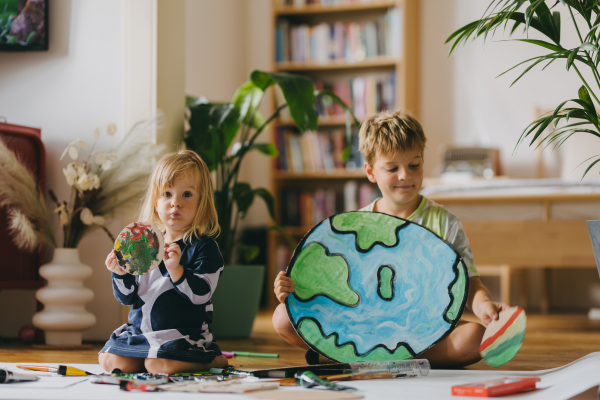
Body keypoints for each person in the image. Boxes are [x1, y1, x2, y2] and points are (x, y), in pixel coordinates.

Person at [272, 109, 509, 368]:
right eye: (392, 168)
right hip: (364, 328)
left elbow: (469, 283)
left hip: (428, 329)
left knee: (475, 338)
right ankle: (387, 358)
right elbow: (327, 284)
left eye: (414, 165)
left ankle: (356, 358)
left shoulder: (445, 222)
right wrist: (290, 288)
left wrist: (483, 304)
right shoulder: (353, 225)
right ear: (371, 171)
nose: (405, 175)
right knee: (282, 318)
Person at [99, 150, 228, 374]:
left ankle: (211, 359)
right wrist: (119, 273)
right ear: (156, 202)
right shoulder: (144, 244)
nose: (175, 203)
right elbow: (127, 296)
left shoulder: (204, 247)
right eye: (167, 194)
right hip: (142, 332)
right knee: (111, 362)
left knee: (158, 365)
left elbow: (201, 295)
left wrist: (176, 270)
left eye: (186, 194)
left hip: (184, 334)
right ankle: (146, 357)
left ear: (202, 202)